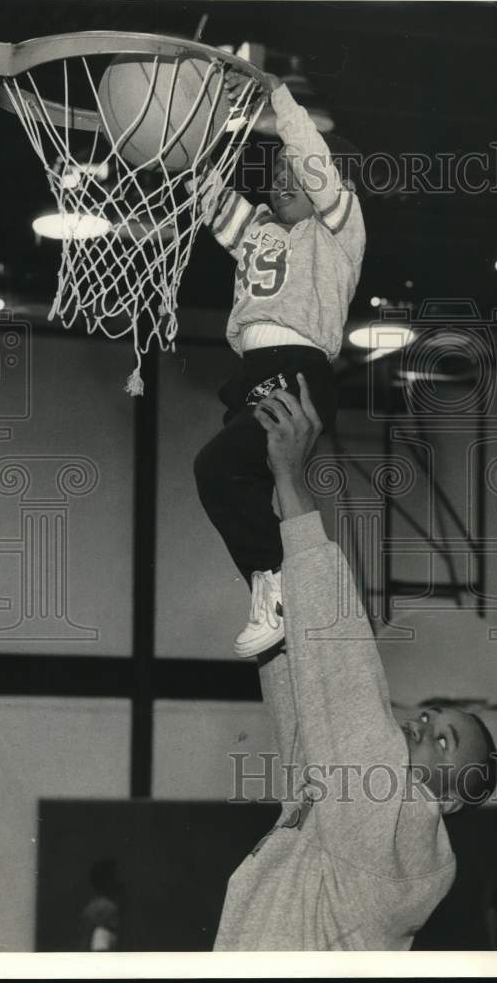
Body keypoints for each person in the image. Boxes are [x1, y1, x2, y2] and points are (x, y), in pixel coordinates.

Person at [213, 375, 497, 952]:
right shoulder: (344, 814)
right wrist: (269, 567)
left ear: (446, 801)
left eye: (443, 741)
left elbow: (342, 675)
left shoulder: (405, 846)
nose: (421, 724)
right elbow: (308, 709)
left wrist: (293, 479)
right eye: (431, 716)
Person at [193, 68, 365, 658]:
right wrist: (188, 126)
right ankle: (276, 583)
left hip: (297, 368)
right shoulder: (258, 232)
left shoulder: (338, 231)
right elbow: (204, 188)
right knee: (229, 477)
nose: (283, 180)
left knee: (214, 468)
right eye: (278, 174)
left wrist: (279, 99)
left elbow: (313, 161)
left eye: (297, 174)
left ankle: (276, 581)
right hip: (254, 376)